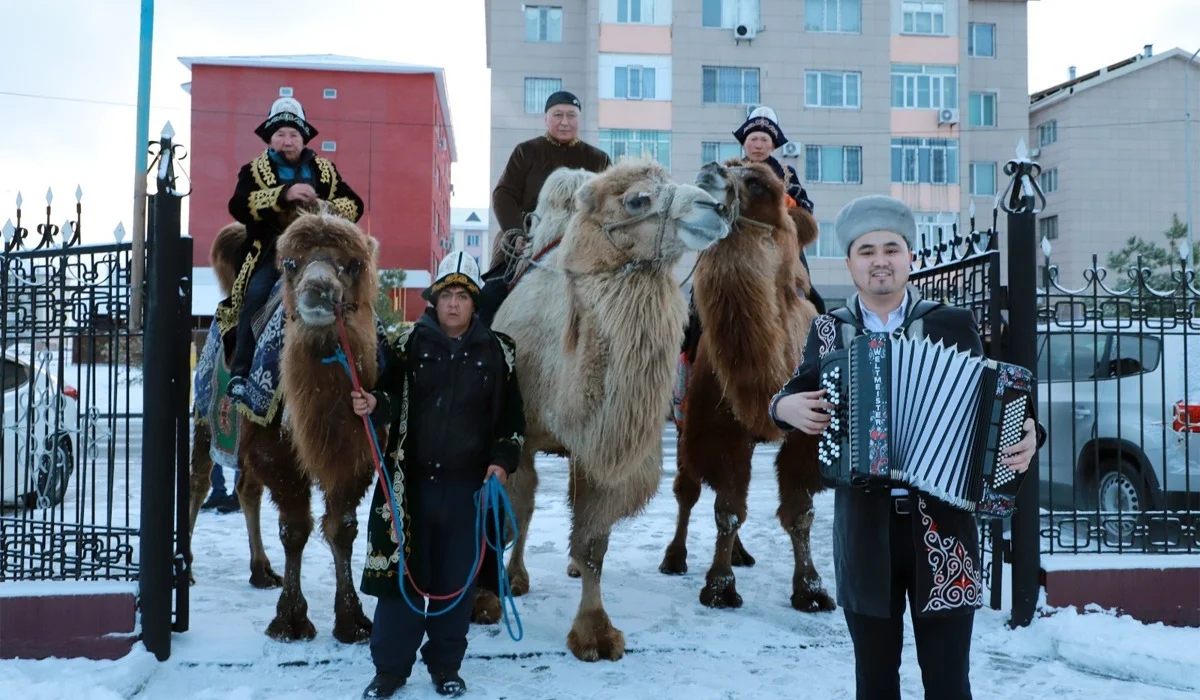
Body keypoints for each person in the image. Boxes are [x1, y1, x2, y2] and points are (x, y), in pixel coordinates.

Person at [768, 194, 1046, 700]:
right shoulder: (828, 330)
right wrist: (782, 409)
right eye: (867, 251)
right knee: (874, 684)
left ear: (909, 257)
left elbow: (996, 400)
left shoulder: (951, 324)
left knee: (947, 683)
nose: (880, 261)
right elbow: (795, 388)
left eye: (891, 249)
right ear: (850, 262)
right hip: (864, 535)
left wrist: (1029, 433)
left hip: (944, 532)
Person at [355, 251, 526, 698]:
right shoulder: (407, 342)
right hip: (411, 487)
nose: (453, 303)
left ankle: (446, 665)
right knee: (402, 584)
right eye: (446, 294)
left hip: (468, 489)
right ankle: (390, 670)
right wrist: (375, 405)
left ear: (474, 302)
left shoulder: (500, 351)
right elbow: (388, 392)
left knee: (456, 585)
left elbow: (512, 419)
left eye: (462, 296)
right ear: (434, 299)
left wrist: (501, 461)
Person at [221, 96, 364, 401]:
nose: (288, 141)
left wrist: (327, 206)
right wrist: (283, 195)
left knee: (357, 296)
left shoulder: (325, 170)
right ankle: (241, 373)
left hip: (320, 251)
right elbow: (239, 206)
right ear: (270, 139)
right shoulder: (254, 171)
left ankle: (365, 366)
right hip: (271, 253)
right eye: (281, 134)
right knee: (256, 296)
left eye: (294, 134)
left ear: (304, 138)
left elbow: (355, 204)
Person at [476, 90, 611, 325]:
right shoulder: (526, 151)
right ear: (546, 119)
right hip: (527, 240)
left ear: (579, 119)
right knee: (488, 299)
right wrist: (515, 233)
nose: (565, 122)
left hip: (583, 244)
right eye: (558, 115)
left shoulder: (598, 158)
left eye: (571, 115)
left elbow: (609, 203)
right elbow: (503, 194)